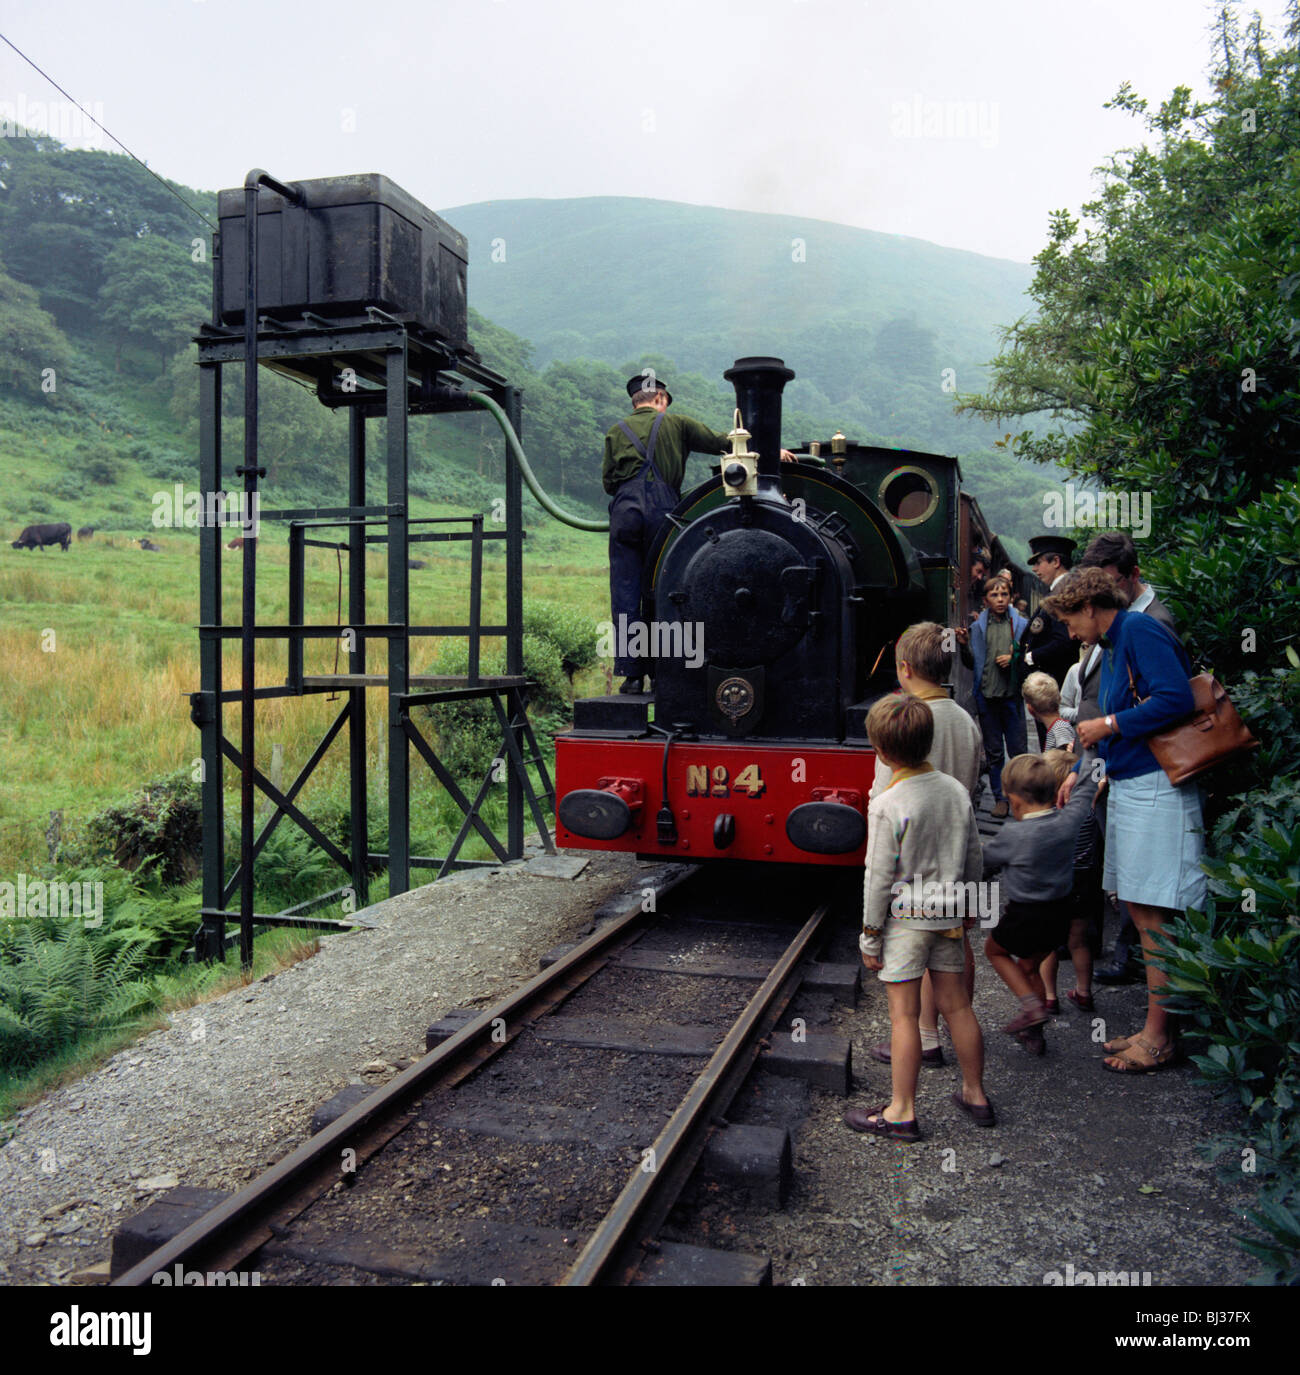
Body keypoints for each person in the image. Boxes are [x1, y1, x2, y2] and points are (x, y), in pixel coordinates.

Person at [1043, 568, 1207, 1073]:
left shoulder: (1137, 629)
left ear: (1091, 606)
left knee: (1155, 913)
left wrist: (1109, 724)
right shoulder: (1113, 643)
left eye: (1070, 619)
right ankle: (1157, 1027)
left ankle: (1161, 1039)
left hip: (1159, 788)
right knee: (1140, 905)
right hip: (1135, 784)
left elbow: (1177, 698)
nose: (1069, 631)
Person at [849, 695, 993, 1140]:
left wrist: (870, 936)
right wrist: (971, 907)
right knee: (958, 1006)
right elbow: (975, 856)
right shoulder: (955, 792)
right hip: (949, 915)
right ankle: (975, 1094)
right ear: (928, 741)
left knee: (904, 1018)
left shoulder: (888, 803)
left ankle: (901, 1112)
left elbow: (877, 878)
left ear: (882, 752)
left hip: (906, 922)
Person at [867, 622, 984, 1072]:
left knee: (908, 971)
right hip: (954, 857)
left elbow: (883, 798)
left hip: (910, 871)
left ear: (905, 668)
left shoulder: (904, 722)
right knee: (953, 952)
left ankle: (921, 1041)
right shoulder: (965, 721)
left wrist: (870, 928)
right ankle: (947, 1048)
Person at [1073, 533, 1179, 985]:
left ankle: (1137, 971)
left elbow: (1170, 699)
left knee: (1148, 902)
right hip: (1121, 769)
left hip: (1149, 774)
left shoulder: (1145, 623)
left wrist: (1109, 729)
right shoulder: (1120, 627)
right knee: (1133, 892)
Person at [603, 372, 731, 694]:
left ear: (635, 401)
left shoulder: (615, 432)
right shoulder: (678, 424)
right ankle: (664, 673)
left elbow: (608, 482)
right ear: (660, 399)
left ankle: (632, 676)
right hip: (663, 512)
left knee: (626, 593)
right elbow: (721, 443)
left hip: (625, 513)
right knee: (666, 589)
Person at [981, 753, 1100, 1054]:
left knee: (994, 951)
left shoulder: (1013, 834)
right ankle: (1034, 1034)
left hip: (1024, 914)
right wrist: (1094, 751)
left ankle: (1032, 1006)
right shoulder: (1068, 821)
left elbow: (982, 861)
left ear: (1015, 800)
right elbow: (1086, 789)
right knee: (1030, 966)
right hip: (1060, 913)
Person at [1036, 748, 1104, 1019]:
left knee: (1048, 944)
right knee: (1079, 942)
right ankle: (1084, 992)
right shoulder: (1086, 812)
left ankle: (1050, 997)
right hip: (1083, 882)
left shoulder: (1044, 818)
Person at [956, 574, 1027, 817]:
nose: (1000, 599)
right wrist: (964, 645)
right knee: (995, 752)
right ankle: (1000, 798)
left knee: (1018, 751)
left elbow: (1029, 659)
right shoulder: (978, 628)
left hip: (1011, 697)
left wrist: (1014, 658)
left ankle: (1020, 798)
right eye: (994, 595)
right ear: (985, 600)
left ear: (1011, 597)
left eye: (1004, 594)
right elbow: (970, 663)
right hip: (987, 697)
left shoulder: (1020, 626)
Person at [1022, 535, 1077, 750]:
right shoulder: (1058, 590)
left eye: (1038, 562)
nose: (1035, 569)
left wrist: (1031, 656)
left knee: (1056, 748)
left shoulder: (1062, 593)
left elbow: (1063, 641)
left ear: (1056, 561)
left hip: (1055, 683)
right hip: (1051, 684)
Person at [1022, 672, 1076, 751]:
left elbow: (1066, 761)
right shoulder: (1058, 728)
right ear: (1059, 698)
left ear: (1030, 709)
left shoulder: (1060, 731)